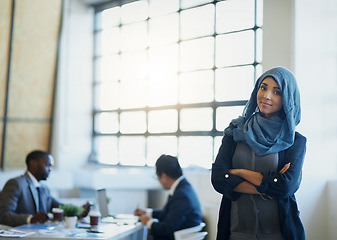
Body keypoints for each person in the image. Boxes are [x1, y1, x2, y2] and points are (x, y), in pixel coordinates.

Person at [211, 67, 306, 240]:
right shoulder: (235, 132)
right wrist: (269, 188)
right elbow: (217, 178)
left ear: (288, 98)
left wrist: (238, 172)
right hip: (235, 234)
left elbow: (286, 187)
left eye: (276, 92)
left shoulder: (295, 141)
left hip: (279, 235)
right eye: (263, 87)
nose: (267, 96)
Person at [0, 150, 91, 227]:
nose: (50, 169)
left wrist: (78, 211)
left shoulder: (44, 189)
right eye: (48, 165)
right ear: (33, 163)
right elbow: (3, 215)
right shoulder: (16, 184)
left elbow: (60, 207)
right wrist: (30, 219)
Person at [134, 154, 202, 240]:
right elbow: (171, 213)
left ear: (164, 176)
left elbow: (167, 229)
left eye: (157, 177)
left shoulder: (181, 195)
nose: (158, 180)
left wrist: (149, 222)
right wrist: (148, 213)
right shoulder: (184, 187)